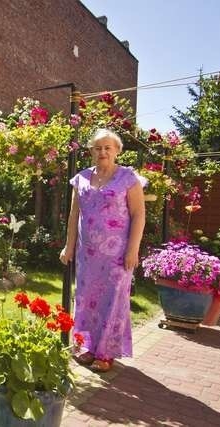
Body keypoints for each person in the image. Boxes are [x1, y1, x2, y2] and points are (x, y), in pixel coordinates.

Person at [59, 128, 146, 372]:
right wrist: (69, 245)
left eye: (108, 147)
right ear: (91, 151)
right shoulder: (82, 178)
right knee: (86, 299)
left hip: (118, 255)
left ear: (117, 150)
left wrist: (133, 249)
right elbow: (74, 214)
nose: (103, 152)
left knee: (113, 300)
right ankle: (85, 346)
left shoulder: (128, 178)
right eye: (98, 148)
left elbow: (139, 214)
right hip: (88, 255)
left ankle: (106, 352)